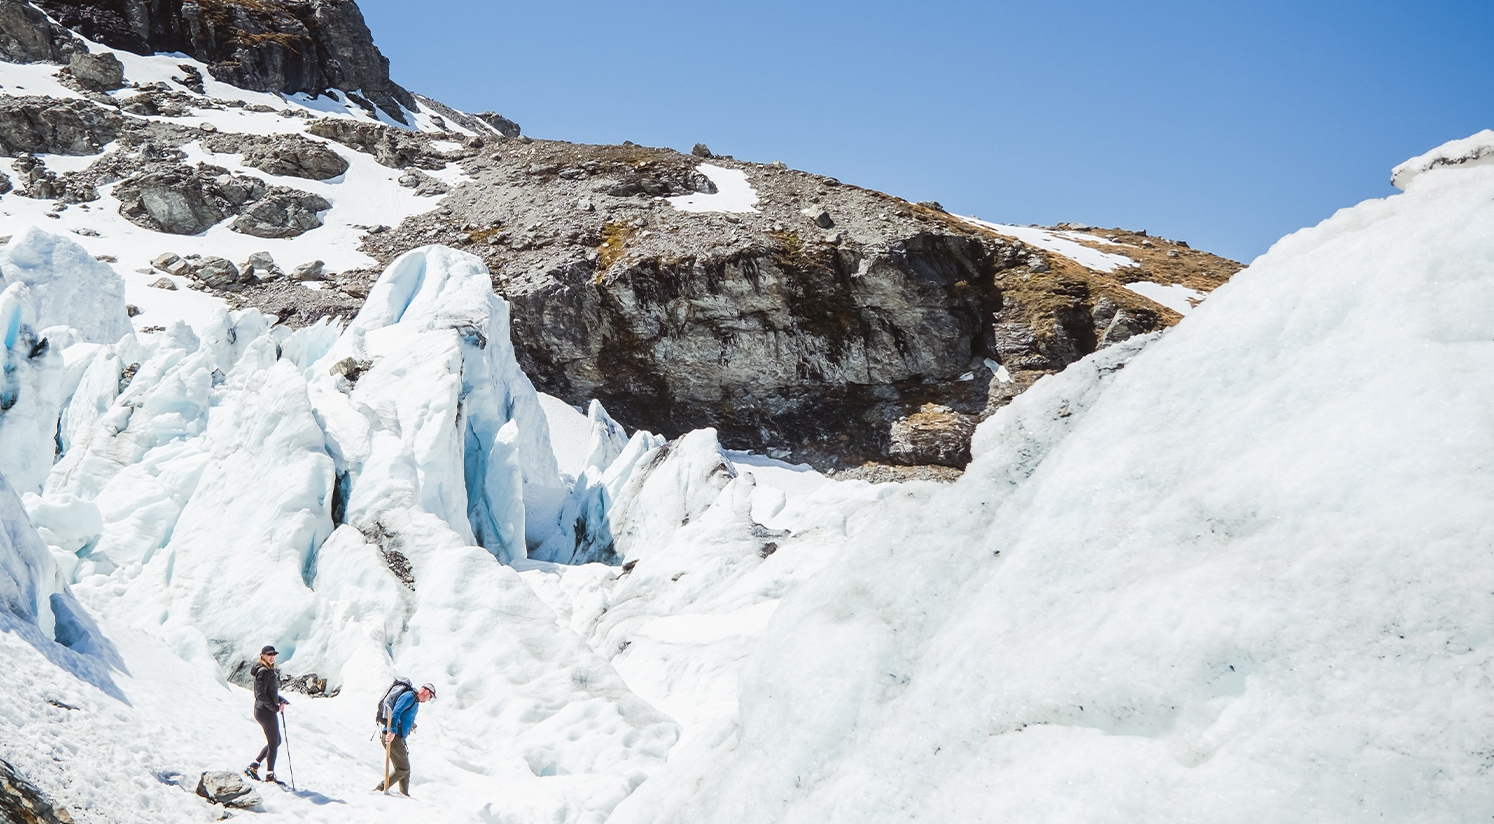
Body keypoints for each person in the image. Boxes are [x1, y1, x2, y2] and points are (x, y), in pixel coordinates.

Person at [374, 682, 436, 796]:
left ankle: (404, 795)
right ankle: (380, 789)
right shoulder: (409, 696)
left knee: (405, 769)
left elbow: (404, 715)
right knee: (403, 769)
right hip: (393, 737)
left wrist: (410, 724)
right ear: (427, 691)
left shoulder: (415, 701)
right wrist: (392, 731)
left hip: (398, 737)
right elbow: (396, 712)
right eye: (430, 697)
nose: (428, 700)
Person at [244, 645, 289, 784]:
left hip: (263, 710)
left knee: (275, 742)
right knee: (274, 743)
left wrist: (279, 699)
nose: (272, 656)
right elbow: (260, 695)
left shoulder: (264, 670)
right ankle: (269, 776)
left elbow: (267, 692)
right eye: (269, 654)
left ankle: (254, 766)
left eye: (273, 654)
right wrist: (275, 707)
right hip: (265, 711)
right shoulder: (264, 671)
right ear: (262, 656)